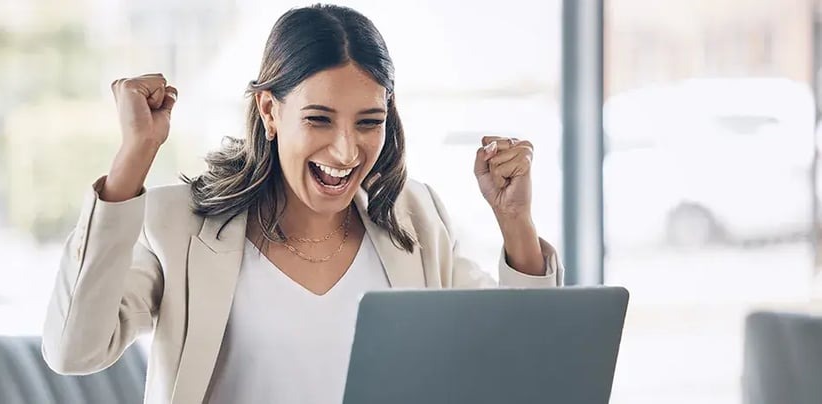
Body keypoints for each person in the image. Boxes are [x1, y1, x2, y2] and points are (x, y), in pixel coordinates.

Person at [42, 4, 563, 403]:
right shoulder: (179, 225)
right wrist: (134, 157)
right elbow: (75, 349)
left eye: (368, 122)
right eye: (318, 119)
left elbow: (524, 371)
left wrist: (515, 222)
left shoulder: (416, 219)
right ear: (270, 110)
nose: (345, 150)